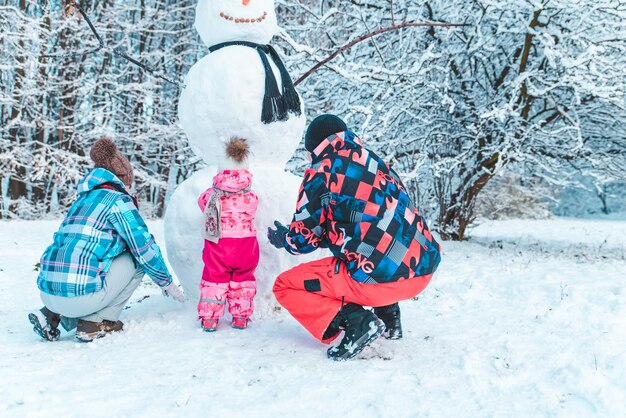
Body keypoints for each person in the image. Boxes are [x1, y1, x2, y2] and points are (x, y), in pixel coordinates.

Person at [268, 114, 442, 361]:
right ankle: (389, 317)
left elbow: (303, 240)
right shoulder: (375, 162)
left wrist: (286, 238)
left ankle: (358, 323)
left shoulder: (321, 170)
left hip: (378, 281)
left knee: (285, 285)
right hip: (422, 271)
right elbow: (381, 218)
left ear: (313, 149)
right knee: (376, 243)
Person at [28, 138, 184, 342]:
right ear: (122, 180)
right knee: (137, 259)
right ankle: (97, 322)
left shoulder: (83, 199)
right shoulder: (118, 200)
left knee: (90, 260)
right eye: (129, 184)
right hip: (78, 298)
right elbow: (144, 247)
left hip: (47, 293)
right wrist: (167, 284)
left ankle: (51, 316)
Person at [197, 138, 259, 331]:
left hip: (219, 244)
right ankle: (240, 317)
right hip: (246, 245)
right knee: (243, 279)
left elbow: (202, 203)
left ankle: (209, 319)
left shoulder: (212, 194)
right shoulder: (251, 196)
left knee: (214, 279)